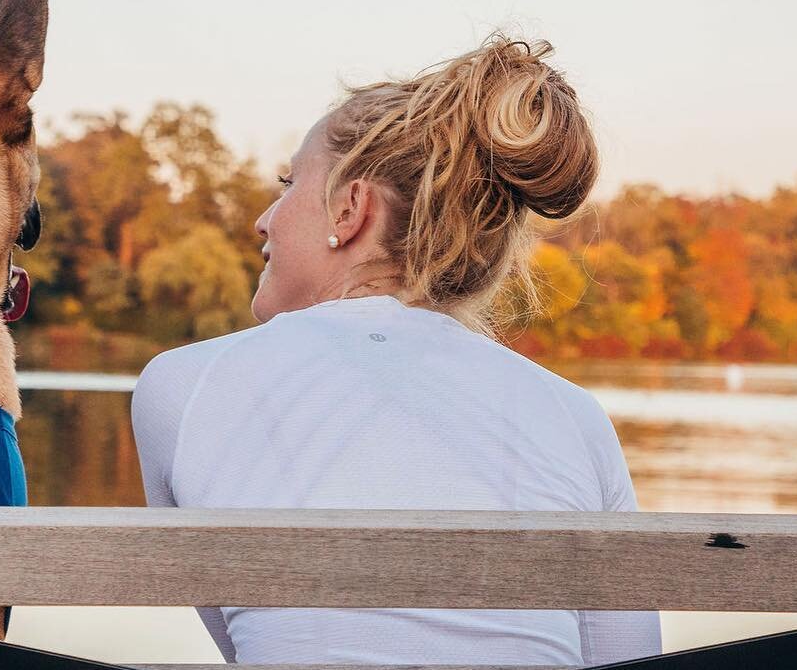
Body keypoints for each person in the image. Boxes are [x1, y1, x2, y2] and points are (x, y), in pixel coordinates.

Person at [131, 36, 661, 666]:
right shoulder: (576, 418)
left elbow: (253, 639)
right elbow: (623, 660)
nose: (264, 220)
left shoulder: (183, 387)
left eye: (289, 182)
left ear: (350, 208)